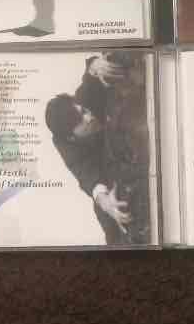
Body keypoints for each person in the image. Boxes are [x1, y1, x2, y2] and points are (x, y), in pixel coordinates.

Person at [45, 54, 149, 245]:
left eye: (83, 111)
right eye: (81, 122)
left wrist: (95, 65)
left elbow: (91, 73)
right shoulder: (66, 144)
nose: (89, 117)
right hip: (110, 178)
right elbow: (87, 176)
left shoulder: (83, 99)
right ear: (72, 137)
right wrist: (105, 202)